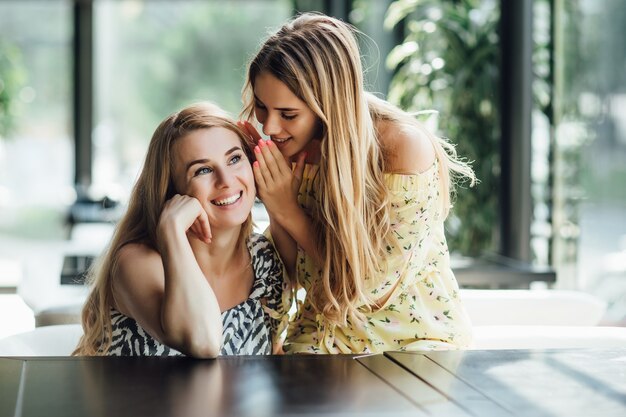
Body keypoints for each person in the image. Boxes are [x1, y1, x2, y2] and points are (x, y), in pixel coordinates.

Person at [239, 12, 476, 354]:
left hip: (411, 345)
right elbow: (287, 270)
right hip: (317, 341)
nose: (270, 128)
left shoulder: (401, 149)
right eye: (262, 107)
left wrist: (287, 210)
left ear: (328, 106)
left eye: (288, 114)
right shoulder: (291, 146)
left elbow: (371, 287)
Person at [73, 102, 291, 357]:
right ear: (172, 190)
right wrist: (172, 231)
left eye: (234, 159)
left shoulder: (262, 258)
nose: (226, 180)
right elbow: (204, 342)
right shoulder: (135, 262)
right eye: (203, 170)